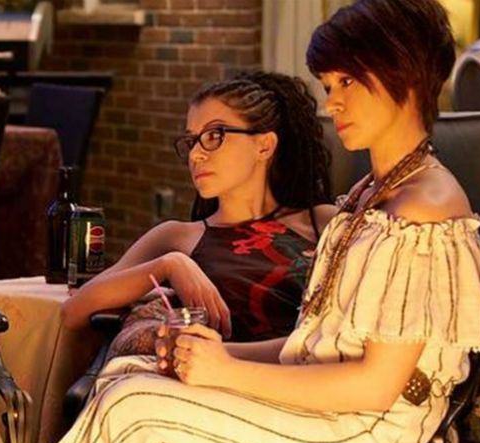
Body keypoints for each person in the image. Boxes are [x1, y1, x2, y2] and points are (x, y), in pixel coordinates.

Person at [36, 0, 480, 443]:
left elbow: (376, 386)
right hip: (328, 408)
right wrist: (209, 354)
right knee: (134, 375)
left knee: (134, 411)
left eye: (347, 81)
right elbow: (313, 344)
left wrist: (226, 371)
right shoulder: (367, 198)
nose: (333, 101)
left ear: (404, 73)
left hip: (365, 438)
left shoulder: (423, 209)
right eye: (328, 85)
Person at [62, 70, 334, 357]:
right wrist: (168, 265)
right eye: (192, 141)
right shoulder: (177, 237)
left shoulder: (323, 223)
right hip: (203, 376)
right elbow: (73, 311)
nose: (195, 155)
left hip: (310, 375)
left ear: (264, 145)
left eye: (215, 135)